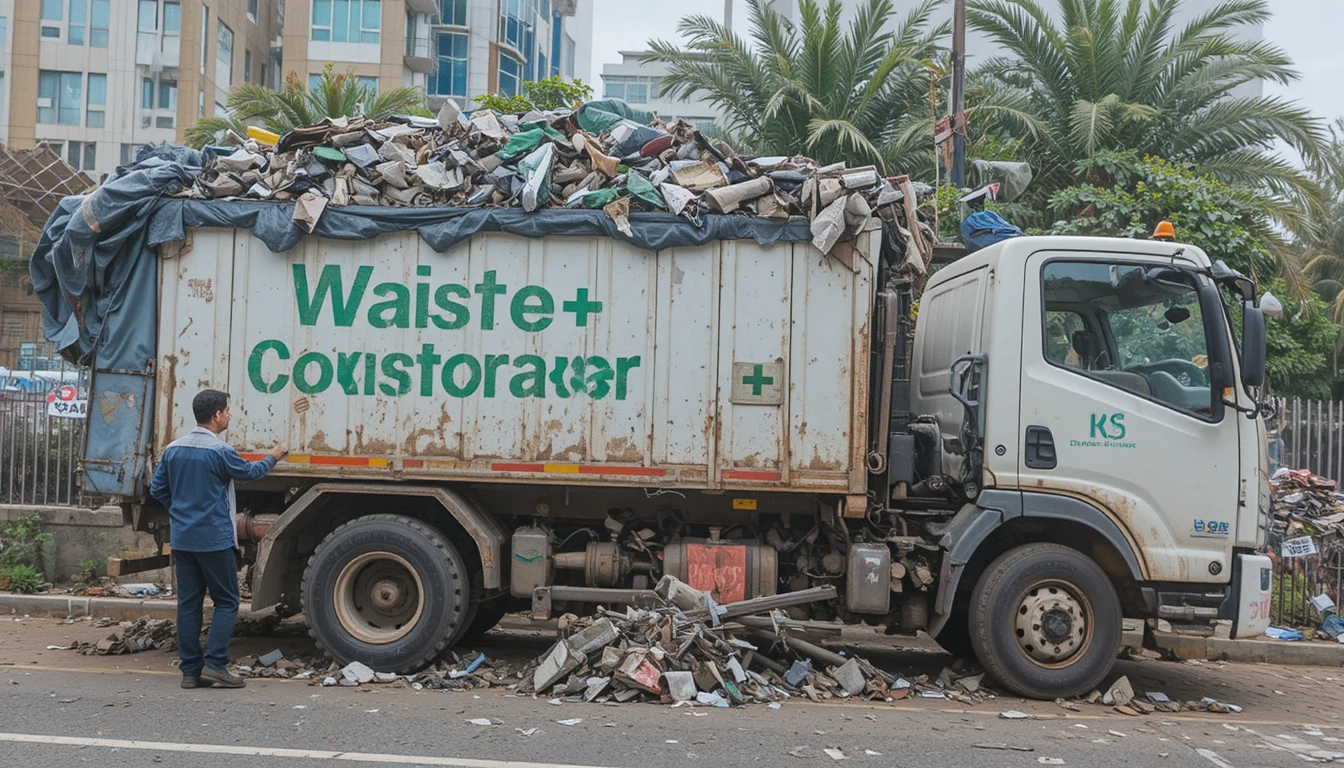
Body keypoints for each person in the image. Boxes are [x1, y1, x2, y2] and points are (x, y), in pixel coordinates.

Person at [150, 390, 286, 689]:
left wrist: (178, 510)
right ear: (216, 415)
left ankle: (190, 672)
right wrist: (273, 456)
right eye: (227, 411)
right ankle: (214, 665)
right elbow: (250, 473)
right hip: (214, 538)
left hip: (183, 538)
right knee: (226, 601)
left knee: (189, 603)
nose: (229, 416)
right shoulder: (220, 451)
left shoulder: (173, 449)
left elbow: (157, 489)